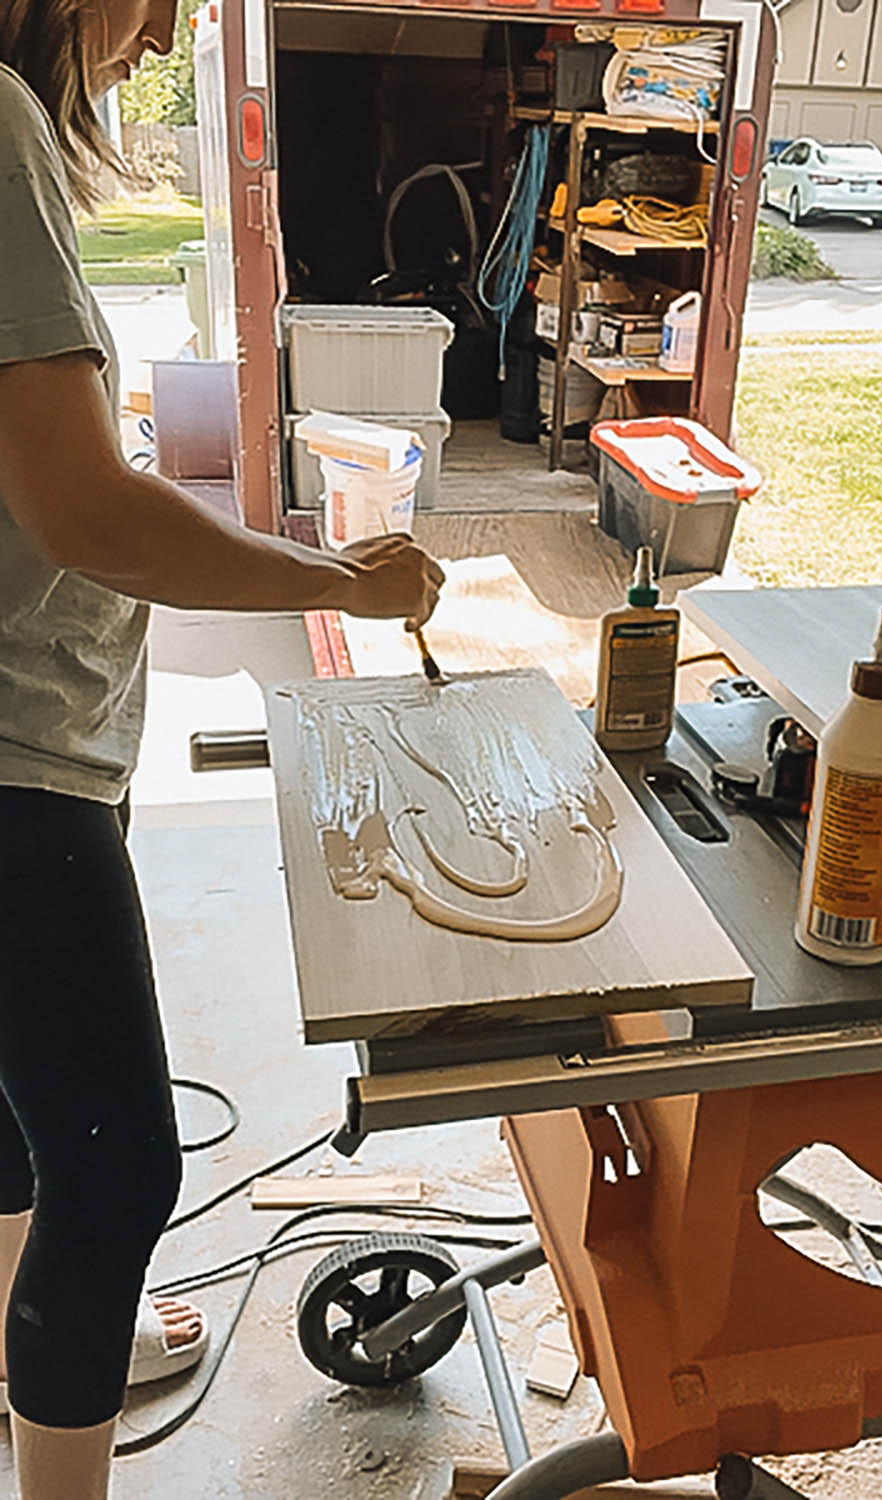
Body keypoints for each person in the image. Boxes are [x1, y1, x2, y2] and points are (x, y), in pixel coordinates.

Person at [0, 2, 445, 1496]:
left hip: (28, 729)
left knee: (22, 1121)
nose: (164, 28)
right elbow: (91, 511)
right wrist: (338, 574)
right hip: (10, 759)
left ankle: (55, 1339)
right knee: (120, 1163)